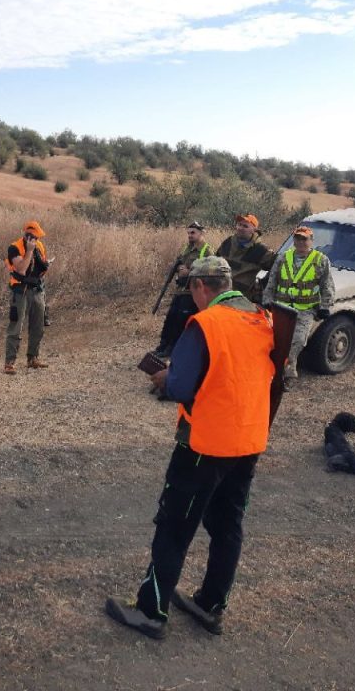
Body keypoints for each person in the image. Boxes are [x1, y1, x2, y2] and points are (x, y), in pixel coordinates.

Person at [105, 257, 275, 640]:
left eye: (192, 290)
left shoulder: (205, 324)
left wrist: (165, 378)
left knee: (174, 527)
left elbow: (181, 387)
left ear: (200, 286)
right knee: (228, 526)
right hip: (247, 442)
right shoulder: (260, 318)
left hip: (203, 445)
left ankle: (151, 612)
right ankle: (211, 605)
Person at [262, 226, 335, 388]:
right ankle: (276, 373)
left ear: (311, 241)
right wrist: (267, 299)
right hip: (281, 308)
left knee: (298, 341)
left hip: (305, 309)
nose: (301, 242)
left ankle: (286, 373)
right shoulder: (283, 258)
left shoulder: (321, 260)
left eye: (304, 239)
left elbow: (327, 285)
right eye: (297, 238)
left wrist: (325, 306)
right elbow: (272, 280)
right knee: (275, 341)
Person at [154, 221, 213, 358]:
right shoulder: (186, 248)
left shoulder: (207, 250)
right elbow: (179, 263)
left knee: (180, 322)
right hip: (180, 290)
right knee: (171, 318)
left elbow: (210, 271)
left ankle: (172, 349)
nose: (190, 235)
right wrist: (179, 269)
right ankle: (163, 345)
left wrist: (190, 271)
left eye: (193, 233)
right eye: (188, 233)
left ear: (201, 233)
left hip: (192, 292)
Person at [4, 220, 51, 374]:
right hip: (20, 291)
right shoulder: (14, 248)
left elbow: (42, 267)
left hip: (37, 290)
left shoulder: (39, 246)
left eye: (38, 237)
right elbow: (22, 269)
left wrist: (45, 265)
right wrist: (30, 251)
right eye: (35, 237)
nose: (37, 239)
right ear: (28, 235)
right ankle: (9, 363)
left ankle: (33, 358)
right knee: (16, 327)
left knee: (38, 326)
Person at [216, 214, 276, 303]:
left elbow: (275, 269)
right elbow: (215, 262)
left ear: (254, 230)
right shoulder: (228, 242)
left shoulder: (261, 250)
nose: (240, 228)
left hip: (242, 299)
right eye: (239, 224)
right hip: (220, 295)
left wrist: (259, 288)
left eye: (245, 226)